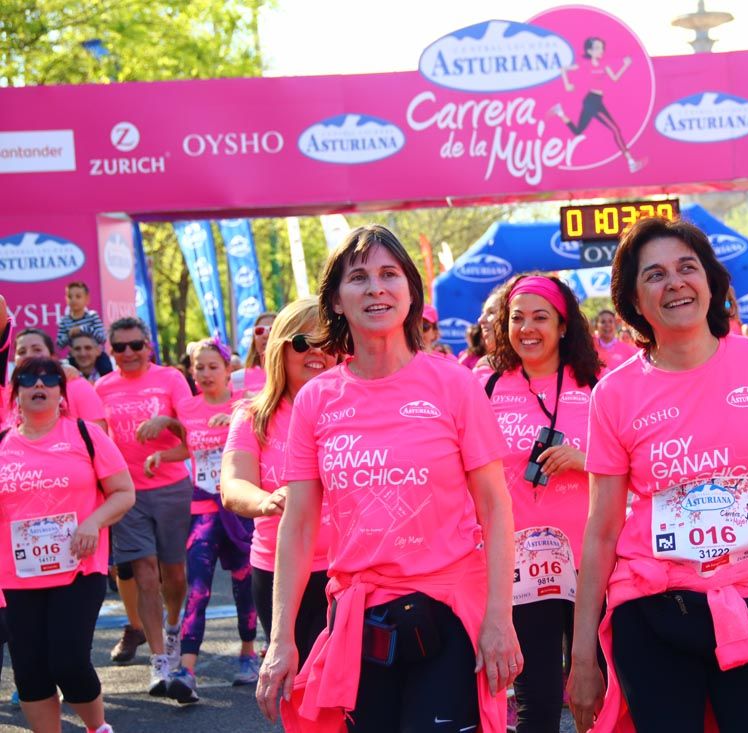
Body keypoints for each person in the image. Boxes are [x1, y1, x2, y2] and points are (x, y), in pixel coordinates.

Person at [569, 218, 748, 733]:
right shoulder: (614, 394)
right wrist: (584, 653)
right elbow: (601, 529)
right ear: (635, 302)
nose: (674, 282)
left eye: (686, 268)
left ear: (710, 282)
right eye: (654, 275)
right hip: (651, 606)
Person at [256, 225, 522, 733]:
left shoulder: (454, 385)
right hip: (360, 619)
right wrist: (280, 639)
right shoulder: (317, 399)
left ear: (410, 291)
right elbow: (299, 524)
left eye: (388, 274)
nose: (375, 288)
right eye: (358, 277)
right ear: (335, 299)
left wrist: (499, 618)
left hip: (450, 610)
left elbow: (495, 507)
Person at [483, 275, 601, 733]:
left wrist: (583, 459)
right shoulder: (488, 384)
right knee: (537, 702)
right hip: (522, 563)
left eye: (540, 317)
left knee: (598, 693)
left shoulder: (596, 384)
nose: (527, 328)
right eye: (517, 318)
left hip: (591, 557)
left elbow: (635, 465)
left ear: (564, 324)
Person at [0, 356, 135, 733]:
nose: (38, 385)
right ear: (16, 392)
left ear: (61, 392)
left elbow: (124, 492)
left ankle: (97, 728)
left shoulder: (85, 434)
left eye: (48, 379)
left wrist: (93, 521)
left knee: (69, 661)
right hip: (17, 576)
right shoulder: (3, 444)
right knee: (29, 669)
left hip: (78, 568)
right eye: (28, 379)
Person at [143, 338, 258, 703]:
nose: (205, 374)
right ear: (191, 372)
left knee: (244, 585)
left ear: (228, 371)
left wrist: (240, 421)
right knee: (198, 587)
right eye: (199, 367)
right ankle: (186, 669)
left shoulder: (245, 406)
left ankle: (248, 652)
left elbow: (265, 444)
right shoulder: (189, 408)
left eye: (213, 367)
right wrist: (164, 455)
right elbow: (191, 447)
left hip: (239, 510)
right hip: (204, 509)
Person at [222, 298, 336, 664]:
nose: (317, 352)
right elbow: (233, 485)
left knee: (347, 693)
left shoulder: (357, 409)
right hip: (278, 572)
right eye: (304, 342)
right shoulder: (254, 415)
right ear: (280, 348)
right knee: (296, 688)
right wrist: (266, 501)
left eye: (328, 342)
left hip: (350, 573)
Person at [94, 316, 193, 698]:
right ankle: (159, 662)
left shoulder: (170, 379)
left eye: (135, 345)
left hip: (171, 489)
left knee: (174, 575)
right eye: (119, 347)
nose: (129, 353)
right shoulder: (102, 387)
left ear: (148, 345)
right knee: (146, 575)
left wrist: (167, 421)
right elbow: (96, 443)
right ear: (111, 351)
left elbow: (196, 435)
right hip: (126, 495)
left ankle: (172, 627)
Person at [549, 37, 642, 173]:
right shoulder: (585, 64)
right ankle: (630, 161)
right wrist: (567, 84)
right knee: (615, 129)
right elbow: (564, 69)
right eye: (597, 48)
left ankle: (560, 112)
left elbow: (615, 78)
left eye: (602, 47)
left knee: (578, 131)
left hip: (597, 100)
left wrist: (625, 65)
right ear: (589, 51)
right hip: (591, 101)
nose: (601, 50)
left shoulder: (604, 65)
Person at [6, 328, 106, 430]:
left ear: (52, 356)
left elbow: (98, 434)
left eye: (37, 349)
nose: (29, 355)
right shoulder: (7, 392)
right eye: (22, 352)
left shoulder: (76, 385)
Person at [56, 281, 114, 377]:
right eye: (70, 297)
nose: (73, 300)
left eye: (78, 296)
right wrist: (69, 335)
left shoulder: (92, 316)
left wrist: (83, 329)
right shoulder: (64, 321)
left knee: (106, 369)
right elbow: (59, 344)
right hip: (74, 357)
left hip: (97, 356)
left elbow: (102, 338)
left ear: (87, 299)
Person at [232, 312, 277, 394]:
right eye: (259, 330)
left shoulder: (294, 376)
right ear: (254, 338)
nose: (265, 335)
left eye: (272, 329)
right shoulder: (238, 378)